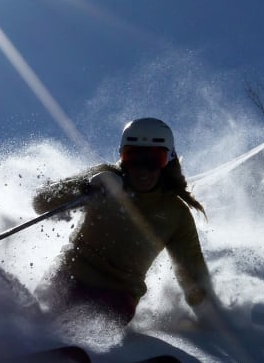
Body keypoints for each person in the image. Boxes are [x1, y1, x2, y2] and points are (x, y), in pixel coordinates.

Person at [32, 117, 214, 327]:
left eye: (154, 159)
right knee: (37, 317)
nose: (142, 169)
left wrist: (209, 314)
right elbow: (40, 202)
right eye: (133, 157)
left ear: (168, 160)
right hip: (69, 274)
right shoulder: (103, 178)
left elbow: (191, 268)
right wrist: (86, 187)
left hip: (118, 294)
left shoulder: (175, 212)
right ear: (122, 157)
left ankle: (87, 354)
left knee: (90, 325)